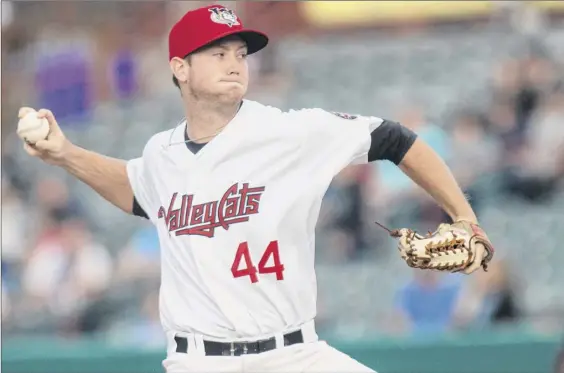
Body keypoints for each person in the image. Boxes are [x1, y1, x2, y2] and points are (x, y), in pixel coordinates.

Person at [19, 4, 491, 372]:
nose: (235, 63)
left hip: (294, 356)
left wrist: (464, 217)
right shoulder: (161, 153)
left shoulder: (290, 132)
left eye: (241, 54)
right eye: (218, 53)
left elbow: (394, 138)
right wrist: (65, 153)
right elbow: (138, 191)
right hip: (197, 361)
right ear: (180, 68)